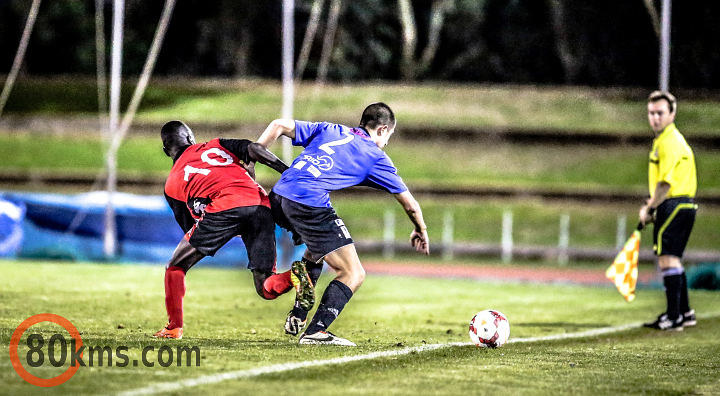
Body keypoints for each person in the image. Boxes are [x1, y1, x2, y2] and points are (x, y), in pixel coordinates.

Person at [257, 102, 430, 346]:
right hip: (308, 202)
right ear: (382, 130)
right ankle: (316, 332)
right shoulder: (376, 157)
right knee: (353, 273)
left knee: (316, 250)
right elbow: (410, 204)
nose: (387, 141)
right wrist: (420, 228)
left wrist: (256, 155)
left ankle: (299, 313)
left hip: (279, 195)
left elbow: (279, 124)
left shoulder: (330, 129)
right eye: (389, 135)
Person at [154, 120, 315, 339]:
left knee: (175, 267)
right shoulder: (217, 145)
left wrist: (223, 226)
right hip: (259, 204)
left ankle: (174, 327)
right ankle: (293, 275)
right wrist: (288, 173)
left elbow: (192, 229)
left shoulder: (172, 185)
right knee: (265, 287)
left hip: (225, 207)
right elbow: (255, 150)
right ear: (191, 138)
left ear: (166, 151)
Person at [639, 91, 698, 331]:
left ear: (672, 114)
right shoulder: (666, 140)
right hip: (683, 203)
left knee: (667, 258)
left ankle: (673, 317)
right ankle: (685, 312)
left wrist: (649, 207)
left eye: (660, 113)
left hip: (674, 203)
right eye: (651, 113)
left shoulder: (669, 142)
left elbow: (665, 183)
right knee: (674, 258)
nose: (655, 118)